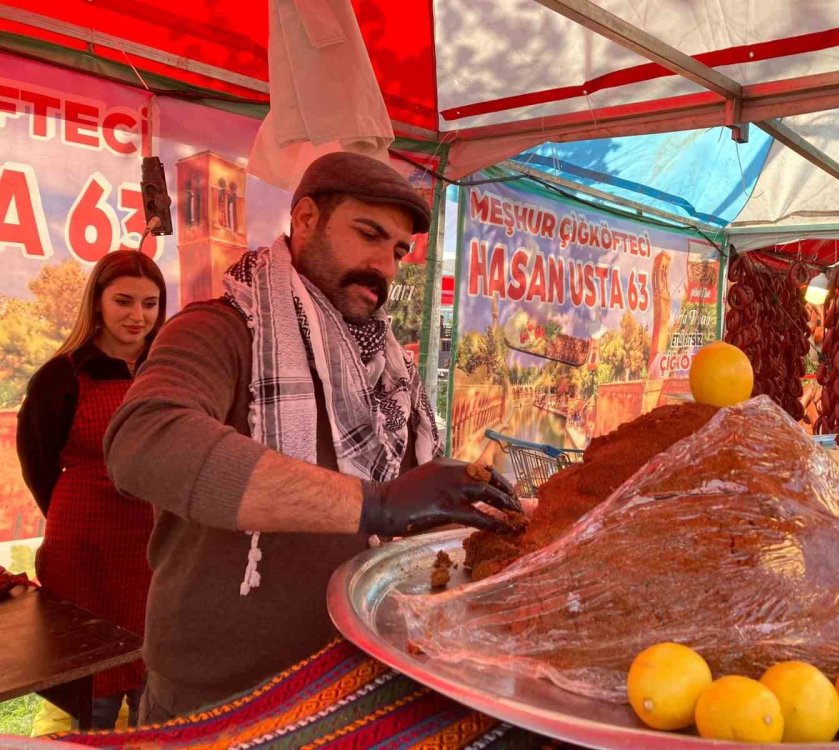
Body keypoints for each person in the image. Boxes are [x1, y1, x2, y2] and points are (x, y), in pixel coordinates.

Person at [103, 153, 520, 723]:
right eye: (369, 234)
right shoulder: (220, 329)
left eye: (398, 251)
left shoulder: (390, 370)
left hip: (354, 682)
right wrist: (375, 504)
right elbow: (145, 440)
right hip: (216, 700)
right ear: (304, 219)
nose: (385, 266)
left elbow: (412, 514)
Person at [16, 250, 167, 729]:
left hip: (151, 551)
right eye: (123, 301)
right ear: (97, 302)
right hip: (83, 550)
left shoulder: (168, 370)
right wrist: (72, 509)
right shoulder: (60, 377)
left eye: (150, 303)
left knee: (153, 682)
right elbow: (36, 462)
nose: (137, 316)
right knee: (95, 695)